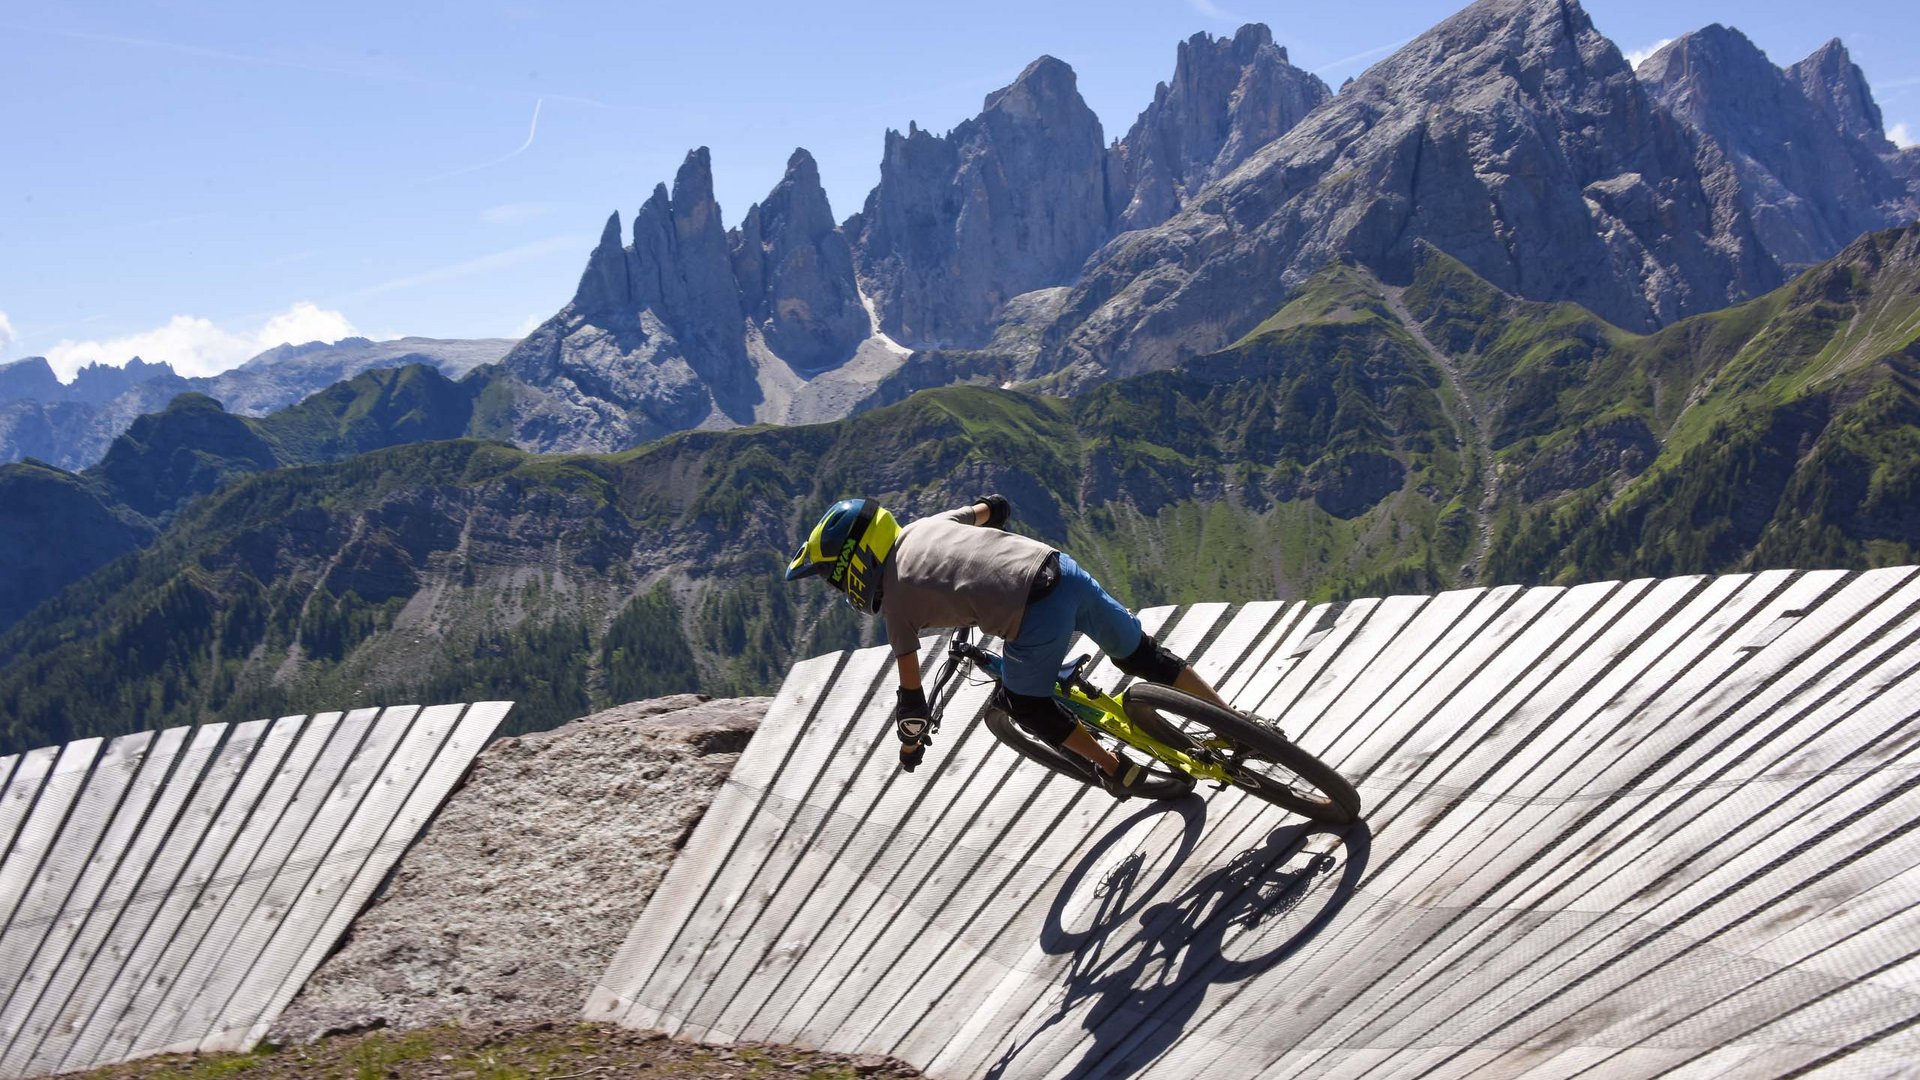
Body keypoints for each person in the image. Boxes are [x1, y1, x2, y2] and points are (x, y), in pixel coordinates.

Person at [783, 495, 1234, 796]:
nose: (839, 590)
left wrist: (909, 747)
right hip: (1062, 570)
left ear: (854, 563)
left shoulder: (896, 606)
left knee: (1025, 704)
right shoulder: (927, 524)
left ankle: (1114, 767)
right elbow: (994, 507)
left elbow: (913, 705)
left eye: (834, 579)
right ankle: (1235, 724)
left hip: (1034, 615)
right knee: (1142, 655)